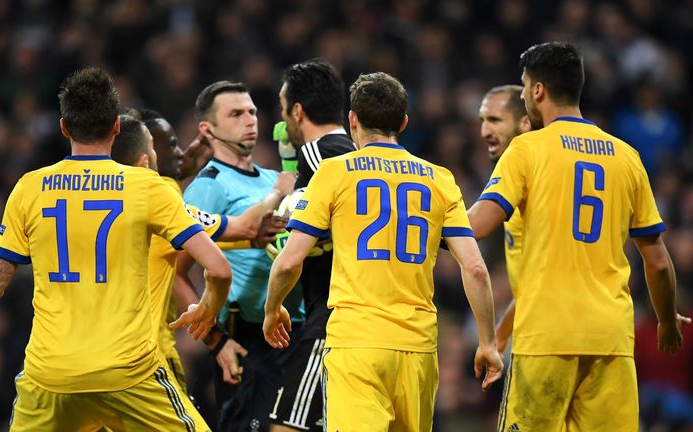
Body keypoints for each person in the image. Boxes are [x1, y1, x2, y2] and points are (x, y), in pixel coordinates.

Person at [0, 67, 230, 432]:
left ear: (64, 127)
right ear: (115, 126)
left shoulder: (29, 188)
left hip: (50, 377)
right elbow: (218, 269)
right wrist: (207, 308)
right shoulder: (147, 187)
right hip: (128, 374)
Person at [467, 42, 689, 431]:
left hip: (547, 338)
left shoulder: (527, 149)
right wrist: (666, 319)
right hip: (611, 340)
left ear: (537, 90)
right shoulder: (627, 156)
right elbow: (657, 261)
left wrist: (427, 210)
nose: (522, 95)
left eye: (523, 87)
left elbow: (477, 226)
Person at [263, 72, 503, 431]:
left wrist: (272, 309)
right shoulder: (439, 179)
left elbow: (289, 262)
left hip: (356, 343)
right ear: (403, 123)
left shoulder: (334, 172)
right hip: (417, 347)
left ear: (352, 120)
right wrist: (487, 341)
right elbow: (476, 269)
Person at [111, 110, 295, 395]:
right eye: (170, 146)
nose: (181, 153)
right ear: (145, 160)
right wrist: (278, 191)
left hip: (91, 358)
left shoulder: (96, 202)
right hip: (148, 360)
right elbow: (238, 238)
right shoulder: (162, 197)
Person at [183, 81, 304, 432]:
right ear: (208, 130)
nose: (249, 120)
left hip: (297, 332)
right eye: (236, 114)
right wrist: (215, 341)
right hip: (250, 339)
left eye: (251, 111)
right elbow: (176, 271)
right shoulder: (210, 185)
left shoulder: (272, 178)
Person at [267, 58, 357, 432]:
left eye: (283, 108)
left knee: (287, 426)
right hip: (366, 320)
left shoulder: (323, 156)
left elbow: (297, 246)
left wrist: (289, 215)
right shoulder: (355, 151)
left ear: (297, 111)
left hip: (333, 318)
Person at [476, 85, 532, 354]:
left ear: (525, 123)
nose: (484, 131)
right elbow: (531, 285)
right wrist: (499, 337)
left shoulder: (522, 163)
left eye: (495, 120)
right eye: (483, 121)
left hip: (544, 338)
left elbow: (476, 226)